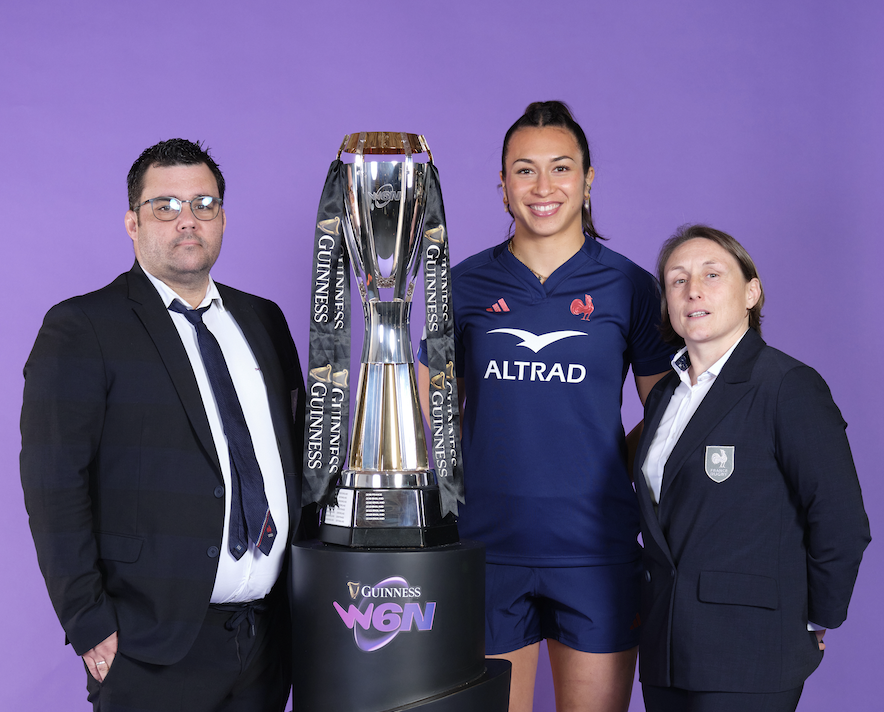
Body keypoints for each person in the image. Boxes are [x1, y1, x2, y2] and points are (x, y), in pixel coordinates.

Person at [20, 139, 307, 712]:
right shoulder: (83, 327)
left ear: (222, 217)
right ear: (133, 221)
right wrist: (87, 620)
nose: (187, 221)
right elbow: (54, 485)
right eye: (165, 206)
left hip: (268, 637)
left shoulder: (263, 320)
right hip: (150, 643)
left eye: (204, 204)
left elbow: (294, 456)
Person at [418, 101, 672, 712]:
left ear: (588, 180)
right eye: (523, 170)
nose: (543, 186)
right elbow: (428, 407)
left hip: (597, 550)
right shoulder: (464, 285)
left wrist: (607, 462)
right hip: (485, 547)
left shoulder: (629, 286)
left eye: (561, 168)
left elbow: (668, 417)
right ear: (503, 185)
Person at [635, 225, 870, 712]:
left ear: (751, 291)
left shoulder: (788, 385)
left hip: (754, 647)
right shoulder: (663, 396)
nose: (693, 289)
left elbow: (841, 519)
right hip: (666, 649)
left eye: (712, 274)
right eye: (677, 280)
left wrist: (813, 619)